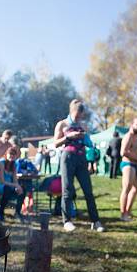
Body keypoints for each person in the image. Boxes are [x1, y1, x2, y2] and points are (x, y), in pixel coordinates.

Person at [52, 99, 104, 232]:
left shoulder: (83, 125)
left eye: (80, 115)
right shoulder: (62, 124)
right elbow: (55, 143)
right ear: (71, 111)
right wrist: (69, 137)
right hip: (67, 158)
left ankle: (95, 221)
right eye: (76, 115)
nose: (78, 118)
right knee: (67, 190)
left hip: (81, 158)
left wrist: (88, 142)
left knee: (88, 191)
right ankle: (67, 221)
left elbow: (89, 143)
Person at [0, 145, 24, 221]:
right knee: (7, 189)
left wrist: (18, 187)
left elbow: (14, 179)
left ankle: (17, 213)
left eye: (14, 154)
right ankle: (1, 214)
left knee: (23, 190)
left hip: (8, 185)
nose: (12, 156)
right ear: (6, 154)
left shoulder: (14, 164)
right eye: (10, 154)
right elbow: (1, 181)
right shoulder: (1, 163)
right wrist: (15, 185)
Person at [119, 118, 137, 221]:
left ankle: (128, 211)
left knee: (136, 188)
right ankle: (123, 215)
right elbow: (123, 152)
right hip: (128, 164)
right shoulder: (128, 136)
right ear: (131, 125)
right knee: (127, 188)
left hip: (135, 165)